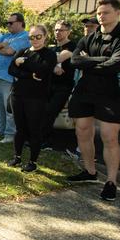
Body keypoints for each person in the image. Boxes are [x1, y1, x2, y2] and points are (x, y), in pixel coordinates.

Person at [67, 0, 120, 201]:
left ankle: (111, 181)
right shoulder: (90, 36)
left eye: (106, 12)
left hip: (111, 93)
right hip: (85, 90)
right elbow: (74, 60)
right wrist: (101, 60)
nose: (101, 16)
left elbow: (117, 65)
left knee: (109, 137)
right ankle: (89, 171)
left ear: (117, 14)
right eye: (99, 13)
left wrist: (88, 61)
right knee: (82, 131)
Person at [6, 25, 57, 172]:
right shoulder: (23, 51)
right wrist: (28, 74)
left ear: (45, 36)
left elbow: (42, 70)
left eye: (38, 36)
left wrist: (23, 63)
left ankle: (33, 162)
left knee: (34, 130)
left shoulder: (49, 54)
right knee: (20, 128)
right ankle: (17, 157)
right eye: (31, 37)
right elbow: (11, 69)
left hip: (36, 98)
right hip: (18, 95)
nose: (34, 40)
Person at [0, 13, 30, 144]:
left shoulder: (24, 36)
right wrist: (2, 45)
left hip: (9, 77)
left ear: (20, 23)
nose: (8, 25)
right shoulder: (6, 36)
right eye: (7, 23)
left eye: (11, 23)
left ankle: (10, 134)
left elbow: (10, 52)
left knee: (9, 108)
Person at [41, 20, 77, 149]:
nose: (57, 32)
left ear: (68, 32)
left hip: (64, 86)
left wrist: (49, 64)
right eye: (56, 30)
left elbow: (57, 59)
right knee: (44, 111)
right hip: (49, 84)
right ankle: (42, 139)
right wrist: (52, 67)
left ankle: (46, 142)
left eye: (61, 30)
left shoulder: (72, 46)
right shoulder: (53, 48)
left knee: (50, 111)